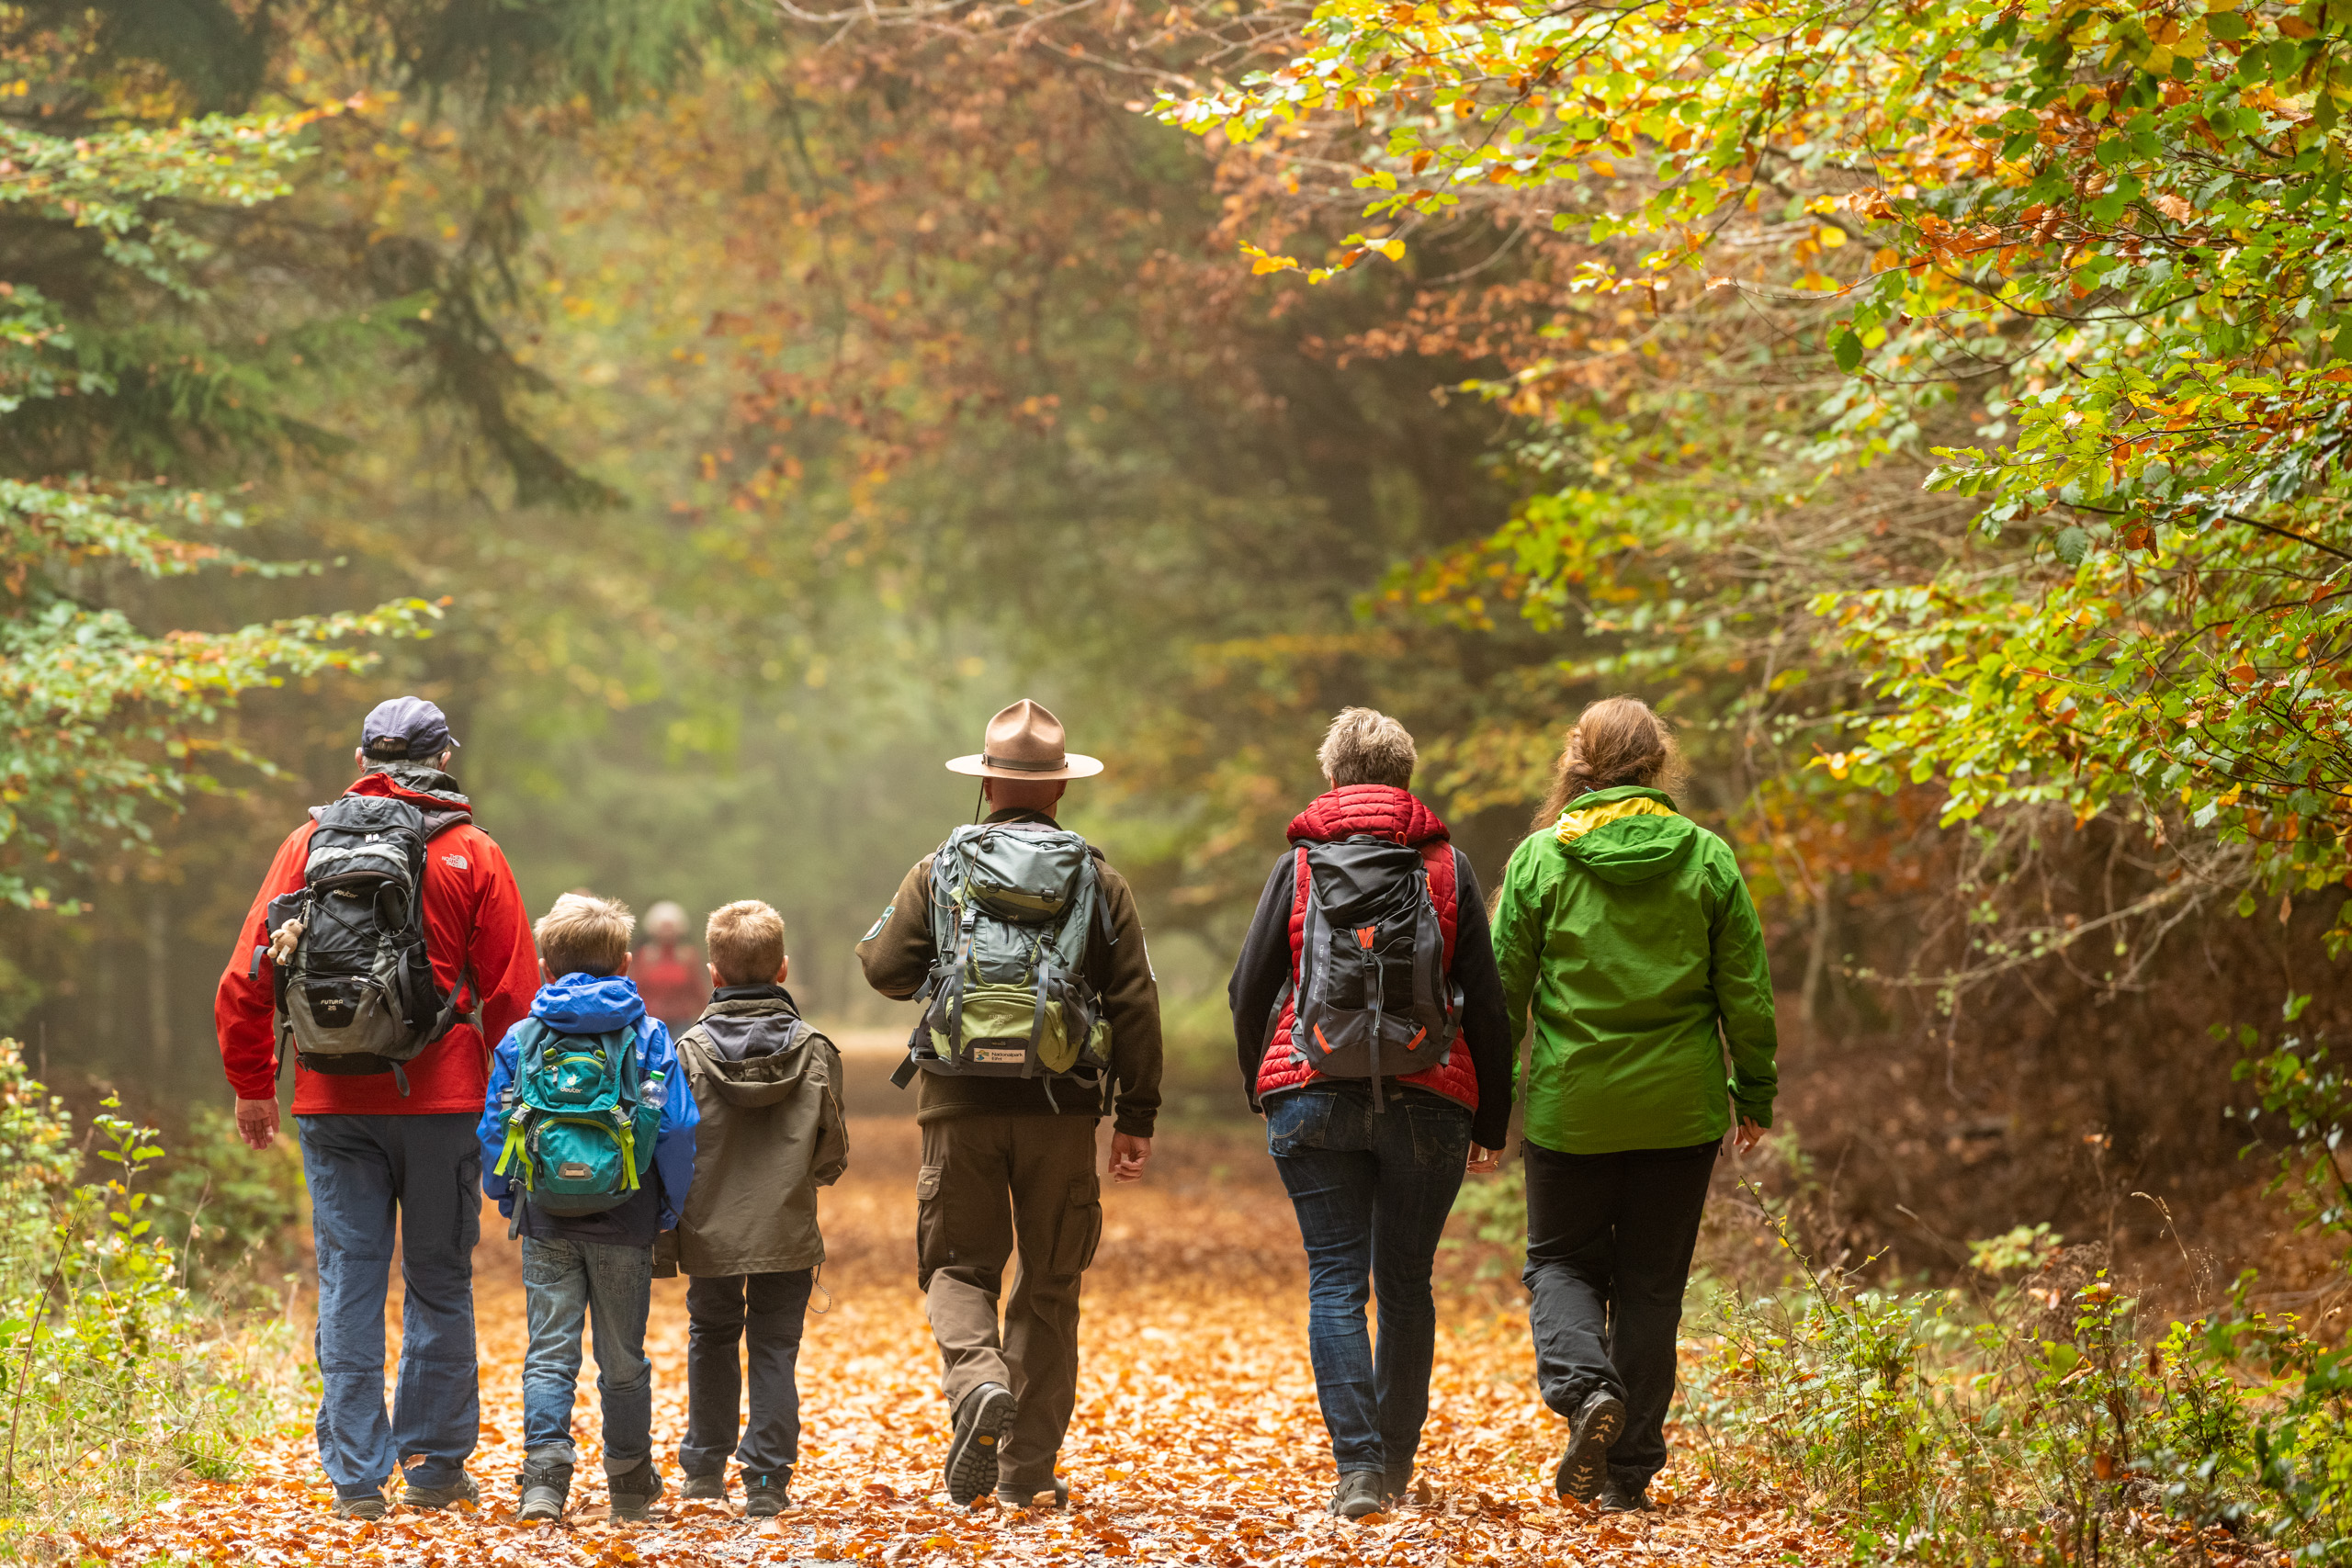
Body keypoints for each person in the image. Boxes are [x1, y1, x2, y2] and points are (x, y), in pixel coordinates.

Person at [214, 696, 538, 1520]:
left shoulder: (307, 844)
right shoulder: (473, 853)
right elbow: (515, 999)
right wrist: (516, 1102)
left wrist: (255, 1082)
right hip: (446, 1101)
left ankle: (358, 1477)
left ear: (364, 758)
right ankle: (433, 1466)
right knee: (437, 1278)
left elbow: (247, 979)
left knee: (348, 1280)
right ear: (442, 757)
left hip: (330, 1100)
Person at [856, 699, 1162, 1510]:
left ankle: (978, 1382)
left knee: (957, 1265)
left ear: (987, 782)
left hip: (956, 1105)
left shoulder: (939, 867)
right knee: (1051, 1281)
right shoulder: (1100, 879)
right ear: (1061, 788)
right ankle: (1025, 1469)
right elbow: (1135, 1002)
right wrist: (1137, 1115)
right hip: (1062, 1110)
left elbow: (885, 971)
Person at [1489, 696, 1779, 1513]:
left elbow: (1503, 996)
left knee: (1559, 1263)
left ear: (1576, 764)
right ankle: (1628, 1475)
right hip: (1678, 1112)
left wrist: (1490, 1104)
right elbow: (1746, 992)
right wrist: (1752, 1091)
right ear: (1659, 763)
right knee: (1652, 1287)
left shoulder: (1543, 859)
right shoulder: (1708, 858)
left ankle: (1587, 1395)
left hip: (1571, 1108)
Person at [1227, 708, 1514, 1518]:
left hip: (1310, 1092)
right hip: (1430, 1098)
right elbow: (1487, 1007)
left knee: (1335, 1281)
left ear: (1332, 778)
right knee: (1407, 1282)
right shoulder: (1448, 867)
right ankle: (1391, 1464)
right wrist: (1491, 1120)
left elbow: (1248, 988)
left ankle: (1355, 1471)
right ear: (1406, 778)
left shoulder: (1301, 866)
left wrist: (1266, 1082)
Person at [479, 892, 698, 1523]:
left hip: (546, 1215)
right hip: (627, 1216)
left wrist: (506, 1191)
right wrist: (669, 1205)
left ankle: (544, 1483)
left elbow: (496, 1124)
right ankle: (629, 1485)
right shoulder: (650, 1034)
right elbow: (678, 1128)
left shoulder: (523, 1036)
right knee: (622, 1355)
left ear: (546, 966)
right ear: (625, 963)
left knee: (550, 1352)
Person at [672, 899, 848, 1517]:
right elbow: (832, 1152)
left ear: (714, 974)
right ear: (784, 969)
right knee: (775, 1346)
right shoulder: (816, 1050)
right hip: (786, 1229)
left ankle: (703, 1471)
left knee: (710, 1336)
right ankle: (768, 1479)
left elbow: (672, 1144)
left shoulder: (687, 1051)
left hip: (709, 1229)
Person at [634, 901, 705, 1038]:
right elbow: (637, 989)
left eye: (670, 927)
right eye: (663, 927)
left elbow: (698, 991)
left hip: (682, 1021)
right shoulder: (645, 955)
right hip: (650, 1020)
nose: (667, 932)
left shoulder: (688, 955)